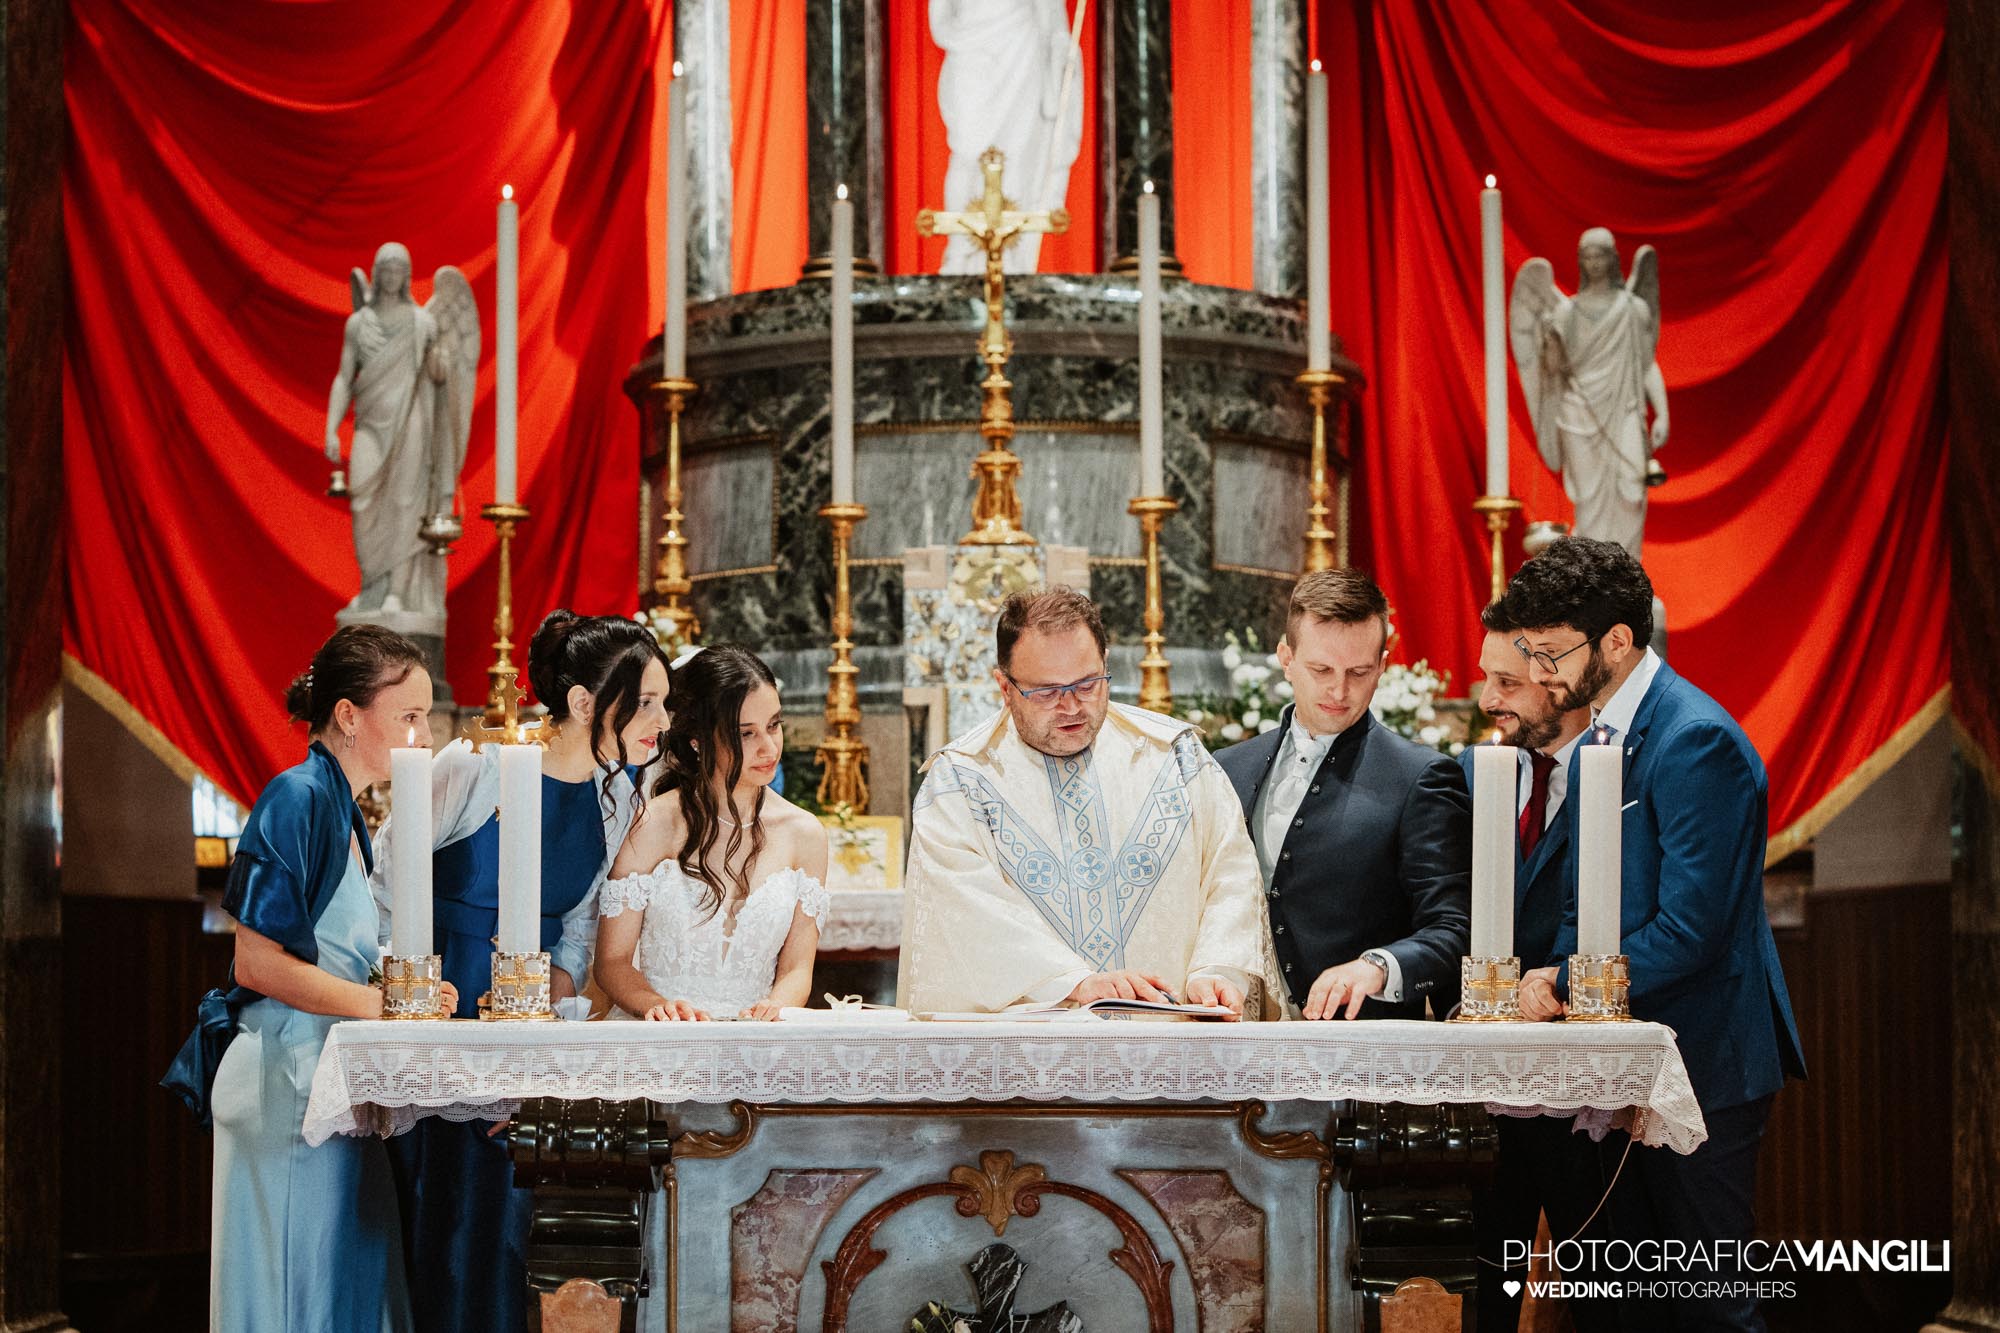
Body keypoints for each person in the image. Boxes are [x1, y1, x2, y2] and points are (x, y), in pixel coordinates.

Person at [1507, 537, 1804, 1333]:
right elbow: (1589, 896)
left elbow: (1693, 929)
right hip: (1628, 1060)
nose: (1539, 673)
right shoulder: (1603, 730)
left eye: (1551, 651)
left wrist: (1566, 983)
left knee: (1711, 1304)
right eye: (1529, 651)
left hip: (1705, 1055)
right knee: (1630, 1303)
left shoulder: (1692, 739)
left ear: (1617, 641)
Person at [372, 611, 668, 1333]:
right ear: (581, 703)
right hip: (435, 1008)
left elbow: (577, 929)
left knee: (504, 1214)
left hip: (524, 1017)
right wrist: (400, 990)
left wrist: (542, 1023)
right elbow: (385, 876)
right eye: (649, 700)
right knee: (435, 1206)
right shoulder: (473, 769)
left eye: (666, 701)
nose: (663, 718)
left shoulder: (619, 798)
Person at [206, 623, 444, 1332]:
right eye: (409, 715)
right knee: (295, 1291)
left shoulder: (343, 805)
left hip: (327, 1073)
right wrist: (385, 1007)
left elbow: (334, 949)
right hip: (283, 1077)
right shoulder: (298, 795)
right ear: (348, 714)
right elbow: (257, 961)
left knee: (344, 1280)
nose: (424, 736)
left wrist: (408, 995)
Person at [899, 587, 1277, 1016]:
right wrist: (1076, 982)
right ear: (1004, 687)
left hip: (1174, 1049)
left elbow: (1229, 868)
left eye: (1088, 683)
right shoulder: (962, 782)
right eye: (1046, 691)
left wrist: (1217, 968)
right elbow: (964, 915)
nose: (1072, 706)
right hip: (1031, 1062)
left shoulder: (1174, 755)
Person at [1463, 601, 1620, 1333]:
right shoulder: (1476, 769)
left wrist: (1559, 980)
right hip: (1487, 1081)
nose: (1487, 697)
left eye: (1506, 680)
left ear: (1556, 683)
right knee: (1484, 1289)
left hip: (1580, 1082)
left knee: (1596, 1288)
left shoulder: (1615, 771)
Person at [1215, 570, 1470, 1019]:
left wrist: (1377, 968)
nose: (1339, 690)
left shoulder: (1422, 777)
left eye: (1359, 671)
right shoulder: (1226, 769)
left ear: (1383, 665)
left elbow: (1453, 932)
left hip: (1365, 1059)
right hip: (1241, 1047)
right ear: (1286, 658)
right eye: (1321, 670)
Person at [595, 645, 829, 1021]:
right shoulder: (652, 823)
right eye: (746, 733)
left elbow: (797, 969)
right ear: (698, 740)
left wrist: (776, 1005)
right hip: (661, 1035)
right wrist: (655, 1004)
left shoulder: (805, 834)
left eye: (773, 725)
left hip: (756, 1042)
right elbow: (612, 961)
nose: (769, 747)